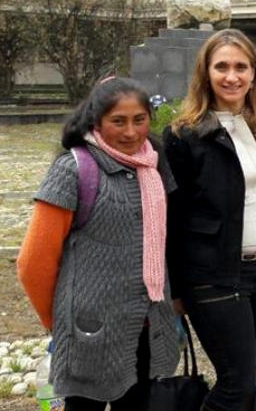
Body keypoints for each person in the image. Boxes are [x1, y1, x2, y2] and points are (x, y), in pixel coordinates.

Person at [18, 77, 180, 410]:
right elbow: (34, 262)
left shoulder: (155, 166)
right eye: (118, 121)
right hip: (89, 334)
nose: (131, 132)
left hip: (147, 329)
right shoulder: (74, 170)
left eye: (140, 120)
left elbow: (165, 242)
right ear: (96, 121)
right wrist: (59, 321)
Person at [163, 28, 256, 411]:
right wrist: (174, 290)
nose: (232, 76)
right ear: (206, 73)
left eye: (241, 66)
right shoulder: (184, 135)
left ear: (254, 73)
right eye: (222, 67)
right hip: (215, 274)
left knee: (255, 378)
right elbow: (171, 217)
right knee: (237, 383)